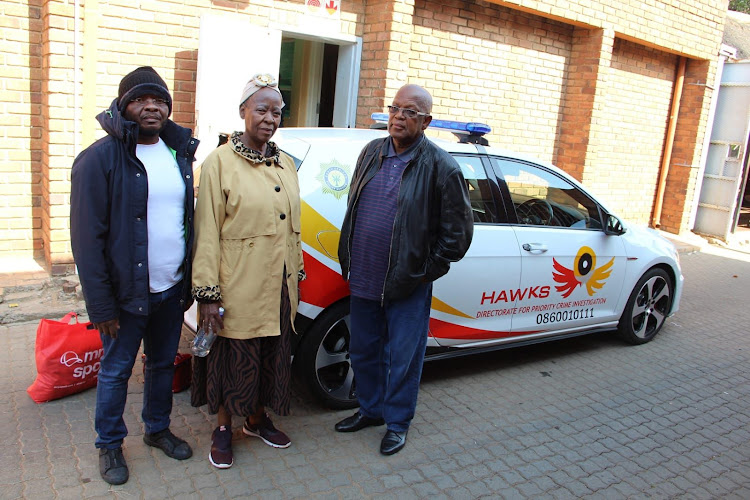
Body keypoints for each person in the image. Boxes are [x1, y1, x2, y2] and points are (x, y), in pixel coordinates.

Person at [70, 66, 199, 485]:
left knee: (162, 364)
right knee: (115, 371)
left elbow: (185, 221)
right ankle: (109, 445)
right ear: (124, 106)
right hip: (125, 297)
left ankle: (157, 429)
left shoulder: (178, 153)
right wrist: (101, 305)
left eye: (159, 100)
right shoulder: (99, 159)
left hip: (169, 288)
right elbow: (87, 241)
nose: (151, 107)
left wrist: (188, 282)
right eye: (141, 100)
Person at [335, 84, 474, 455]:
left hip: (406, 285)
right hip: (363, 275)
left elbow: (457, 236)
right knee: (363, 351)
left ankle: (397, 423)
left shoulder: (442, 167)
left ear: (426, 121)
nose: (399, 116)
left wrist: (423, 271)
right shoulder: (371, 152)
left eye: (410, 112)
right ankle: (370, 410)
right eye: (395, 108)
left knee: (403, 357)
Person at [190, 73, 305, 469]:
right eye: (261, 109)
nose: (270, 118)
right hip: (237, 284)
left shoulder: (286, 163)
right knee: (233, 357)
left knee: (270, 355)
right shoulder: (219, 163)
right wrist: (207, 294)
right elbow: (206, 232)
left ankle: (257, 419)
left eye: (277, 111)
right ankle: (223, 428)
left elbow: (294, 226)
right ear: (243, 112)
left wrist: (298, 273)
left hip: (279, 284)